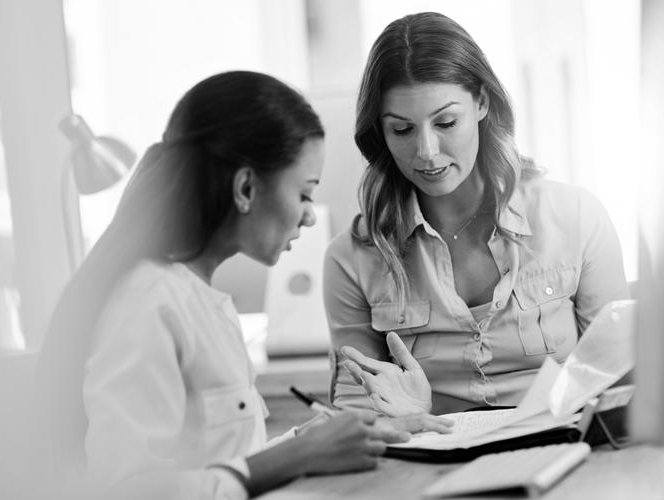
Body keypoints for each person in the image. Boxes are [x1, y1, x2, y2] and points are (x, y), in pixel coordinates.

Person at [35, 70, 451, 500]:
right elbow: (128, 490)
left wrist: (335, 436)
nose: (310, 216)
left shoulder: (200, 298)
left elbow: (225, 461)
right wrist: (298, 455)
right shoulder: (149, 302)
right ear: (246, 187)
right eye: (305, 194)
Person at [324, 12, 629, 417]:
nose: (427, 152)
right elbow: (355, 409)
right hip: (430, 462)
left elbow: (621, 375)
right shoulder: (352, 257)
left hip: (565, 451)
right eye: (402, 130)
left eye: (446, 122)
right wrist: (408, 419)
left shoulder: (574, 216)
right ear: (378, 130)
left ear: (482, 102)